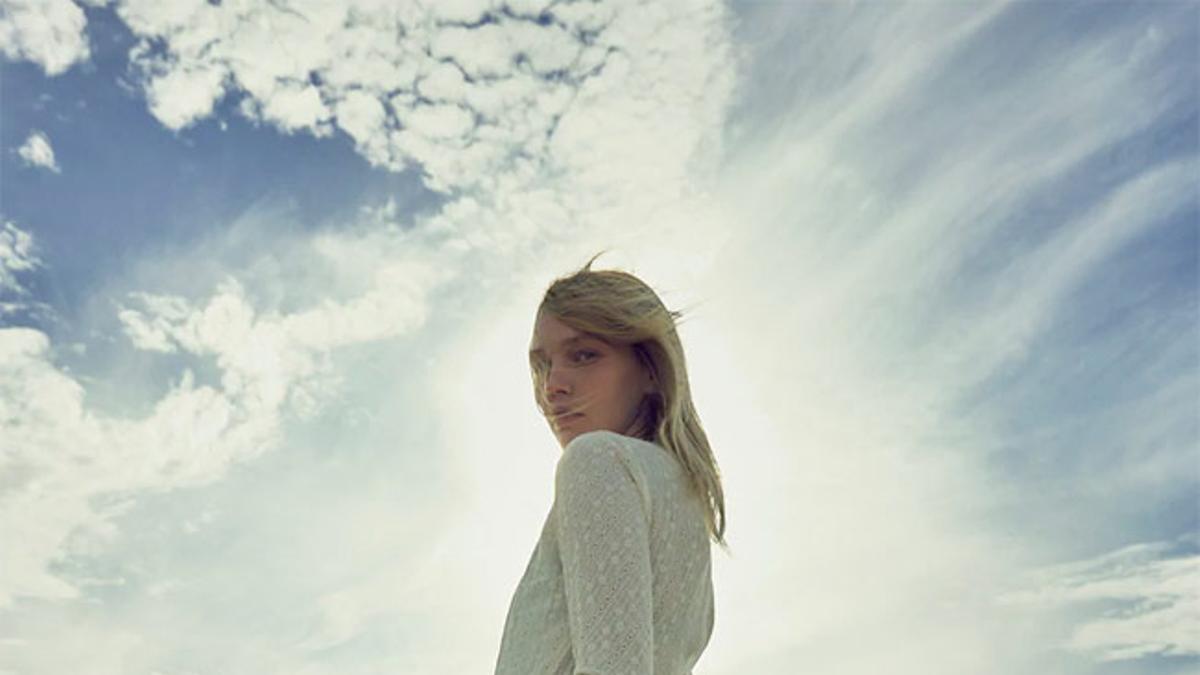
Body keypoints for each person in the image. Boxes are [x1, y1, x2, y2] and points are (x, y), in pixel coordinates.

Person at [494, 251, 729, 675]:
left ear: (651, 369)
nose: (553, 386)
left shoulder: (598, 462)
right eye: (544, 364)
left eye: (584, 355)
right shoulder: (685, 496)